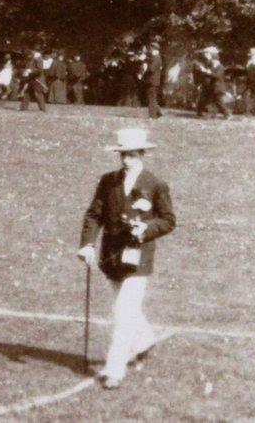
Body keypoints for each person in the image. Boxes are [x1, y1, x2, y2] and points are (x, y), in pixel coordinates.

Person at [78, 128, 175, 389]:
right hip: (112, 257)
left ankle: (114, 370)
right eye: (122, 155)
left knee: (122, 313)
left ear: (141, 154)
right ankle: (144, 340)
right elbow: (94, 215)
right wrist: (87, 244)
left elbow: (168, 220)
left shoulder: (155, 184)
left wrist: (146, 229)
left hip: (139, 258)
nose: (125, 160)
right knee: (127, 309)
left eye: (131, 155)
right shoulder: (108, 181)